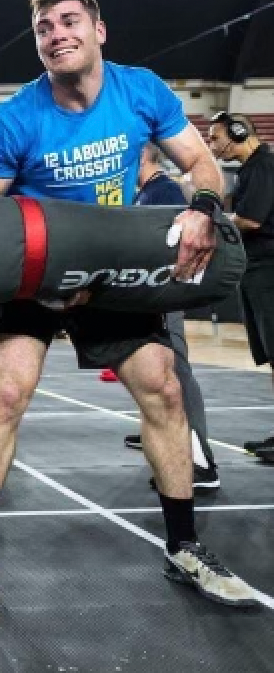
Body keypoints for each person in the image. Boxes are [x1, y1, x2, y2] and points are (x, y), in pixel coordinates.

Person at [0, 0, 256, 617]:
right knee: (6, 392)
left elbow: (203, 163)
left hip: (111, 267)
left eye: (69, 21)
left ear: (100, 31)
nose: (56, 33)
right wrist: (30, 279)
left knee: (165, 388)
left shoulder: (139, 90)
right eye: (43, 27)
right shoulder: (11, 119)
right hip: (31, 274)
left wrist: (202, 210)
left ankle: (184, 545)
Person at [121, 144, 219, 488]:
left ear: (141, 157)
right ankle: (170, 439)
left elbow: (165, 249)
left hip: (165, 295)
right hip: (152, 297)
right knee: (161, 376)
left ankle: (201, 462)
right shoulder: (147, 192)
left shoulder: (164, 191)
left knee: (177, 372)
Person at [204, 112, 274, 462]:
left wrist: (213, 221)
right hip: (260, 270)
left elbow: (251, 219)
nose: (211, 146)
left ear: (238, 133)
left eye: (215, 138)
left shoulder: (261, 167)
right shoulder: (253, 168)